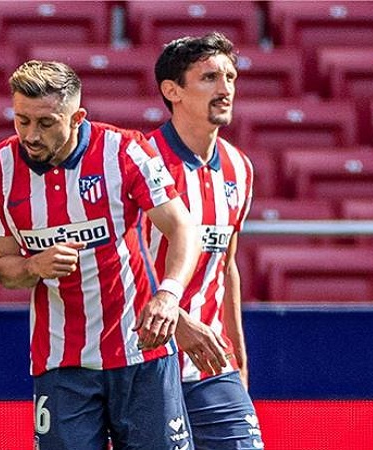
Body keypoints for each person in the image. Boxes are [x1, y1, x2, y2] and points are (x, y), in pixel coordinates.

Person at [0, 60, 200, 450]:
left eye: (46, 123)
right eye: (22, 120)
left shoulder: (125, 151)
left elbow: (183, 228)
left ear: (77, 117)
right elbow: (3, 265)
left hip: (141, 351)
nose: (31, 134)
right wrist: (33, 265)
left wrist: (168, 295)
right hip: (62, 363)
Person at [144, 32, 263, 449]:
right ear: (172, 91)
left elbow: (225, 266)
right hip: (143, 361)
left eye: (230, 77)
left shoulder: (239, 167)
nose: (225, 88)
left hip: (212, 364)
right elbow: (118, 266)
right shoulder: (139, 160)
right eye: (210, 78)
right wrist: (177, 322)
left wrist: (239, 358)